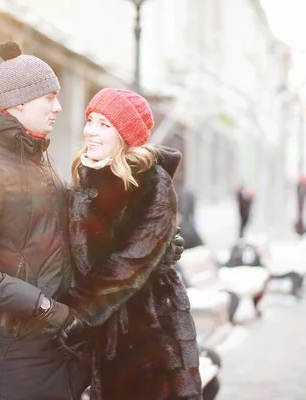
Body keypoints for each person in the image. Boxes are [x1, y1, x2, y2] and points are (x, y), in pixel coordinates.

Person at [0, 43, 183, 400]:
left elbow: (69, 232)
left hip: (56, 346)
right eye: (50, 98)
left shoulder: (38, 156)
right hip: (15, 353)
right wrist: (42, 306)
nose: (58, 107)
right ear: (20, 102)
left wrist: (150, 246)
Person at [56, 88, 202, 399]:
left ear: (125, 135)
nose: (91, 132)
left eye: (105, 125)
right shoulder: (85, 179)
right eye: (91, 120)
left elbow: (126, 264)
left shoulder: (151, 183)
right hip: (106, 336)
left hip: (149, 338)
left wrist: (71, 314)